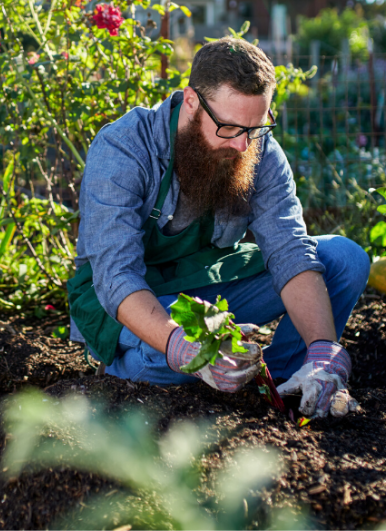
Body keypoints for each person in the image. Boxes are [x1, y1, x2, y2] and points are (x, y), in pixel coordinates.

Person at [67, 37, 370, 418]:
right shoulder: (124, 148)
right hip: (128, 299)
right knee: (172, 357)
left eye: (256, 127)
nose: (244, 145)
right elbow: (116, 276)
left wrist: (323, 349)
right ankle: (123, 373)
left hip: (206, 283)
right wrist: (181, 345)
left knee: (344, 259)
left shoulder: (256, 148)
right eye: (229, 127)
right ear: (191, 101)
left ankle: (284, 385)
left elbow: (289, 249)